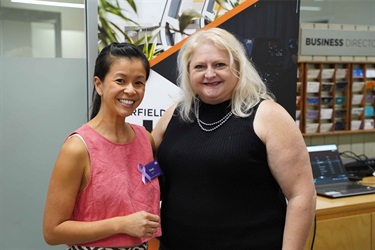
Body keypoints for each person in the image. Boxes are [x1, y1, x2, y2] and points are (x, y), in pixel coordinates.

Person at [152, 28, 316, 250]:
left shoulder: (268, 115)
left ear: (238, 68)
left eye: (219, 65)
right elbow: (148, 171)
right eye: (200, 66)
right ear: (188, 73)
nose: (209, 74)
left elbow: (301, 194)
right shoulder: (175, 114)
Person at [43, 42, 161, 250]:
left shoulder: (145, 139)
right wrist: (121, 224)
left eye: (139, 83)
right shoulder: (78, 148)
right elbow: (52, 231)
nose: (130, 90)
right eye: (120, 80)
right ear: (99, 84)